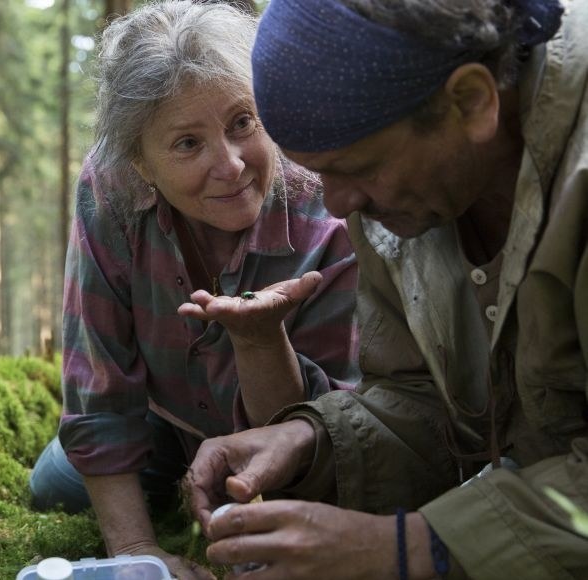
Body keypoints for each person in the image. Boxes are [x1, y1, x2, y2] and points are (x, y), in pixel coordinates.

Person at [184, 0, 588, 578]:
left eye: (357, 166)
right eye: (320, 173)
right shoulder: (407, 195)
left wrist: (411, 549)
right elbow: (423, 397)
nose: (339, 203)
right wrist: (310, 440)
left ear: (470, 101)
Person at [28, 2, 361, 578]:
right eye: (187, 143)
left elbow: (330, 425)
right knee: (55, 486)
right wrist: (135, 552)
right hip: (163, 421)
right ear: (141, 163)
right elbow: (98, 381)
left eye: (242, 123)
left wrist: (260, 341)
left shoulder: (326, 204)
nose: (229, 165)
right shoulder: (109, 189)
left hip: (288, 441)